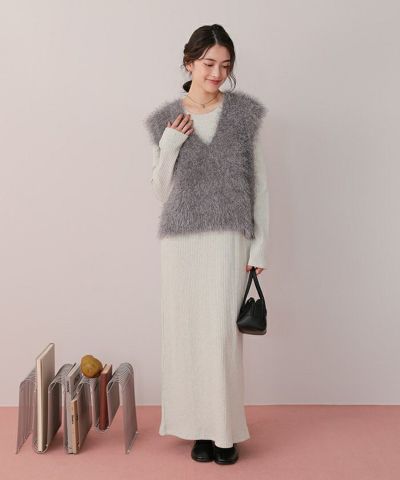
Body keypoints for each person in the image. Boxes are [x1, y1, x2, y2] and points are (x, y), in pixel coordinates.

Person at [144, 24, 269, 465]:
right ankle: (197, 428)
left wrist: (259, 248)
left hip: (228, 242)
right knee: (185, 336)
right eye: (209, 63)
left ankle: (224, 432)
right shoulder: (167, 118)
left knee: (220, 340)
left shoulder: (243, 116)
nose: (217, 73)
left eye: (225, 65)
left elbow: (259, 187)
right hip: (181, 245)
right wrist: (171, 143)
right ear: (189, 63)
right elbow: (161, 192)